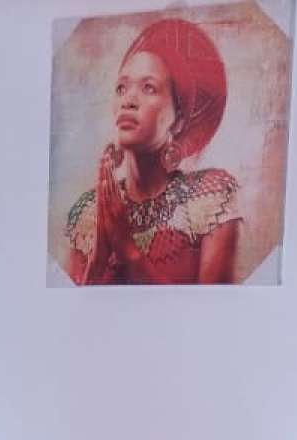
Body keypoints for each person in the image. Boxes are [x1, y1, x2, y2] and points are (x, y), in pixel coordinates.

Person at [66, 17, 242, 285]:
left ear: (179, 119)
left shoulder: (211, 198)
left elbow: (212, 308)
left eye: (148, 88)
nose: (128, 101)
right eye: (121, 88)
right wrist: (99, 257)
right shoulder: (90, 212)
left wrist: (127, 249)